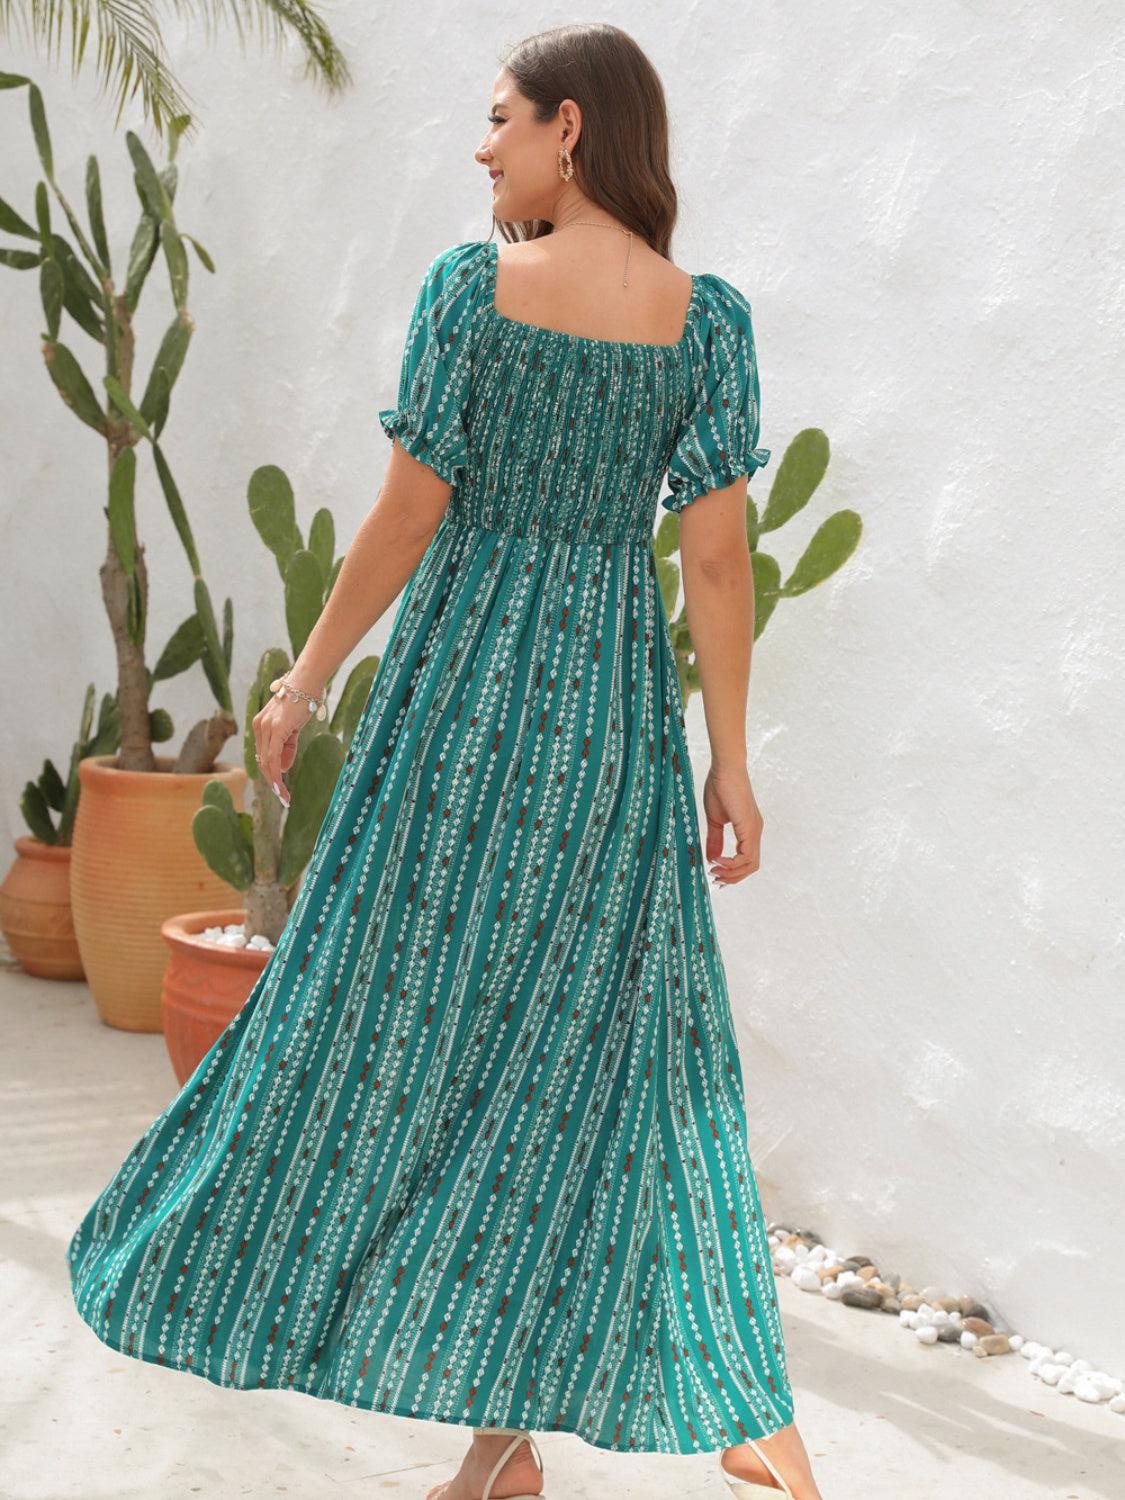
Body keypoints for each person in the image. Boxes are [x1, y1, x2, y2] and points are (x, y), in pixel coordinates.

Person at [65, 21, 825, 1500]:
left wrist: (301, 676)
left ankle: (712, 1412)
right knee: (594, 1048)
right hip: (607, 715)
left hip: (462, 705)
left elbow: (410, 515)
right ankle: (519, 1450)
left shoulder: (474, 291)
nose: (480, 149)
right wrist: (728, 759)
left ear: (570, 129)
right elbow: (718, 565)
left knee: (379, 1016)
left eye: (497, 121)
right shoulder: (707, 318)